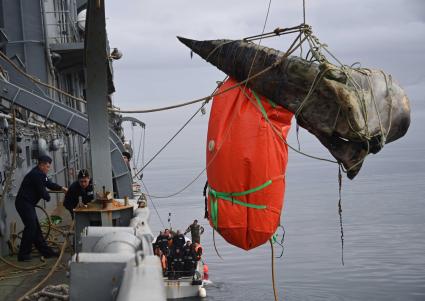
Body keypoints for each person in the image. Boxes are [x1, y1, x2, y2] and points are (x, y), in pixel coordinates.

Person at [15, 155, 67, 261]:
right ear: (41, 165)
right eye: (47, 166)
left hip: (28, 204)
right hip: (23, 203)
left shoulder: (41, 174)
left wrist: (61, 188)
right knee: (31, 227)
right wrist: (47, 197)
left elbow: (48, 183)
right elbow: (42, 191)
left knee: (36, 229)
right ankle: (23, 255)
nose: (49, 169)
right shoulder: (36, 174)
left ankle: (47, 252)